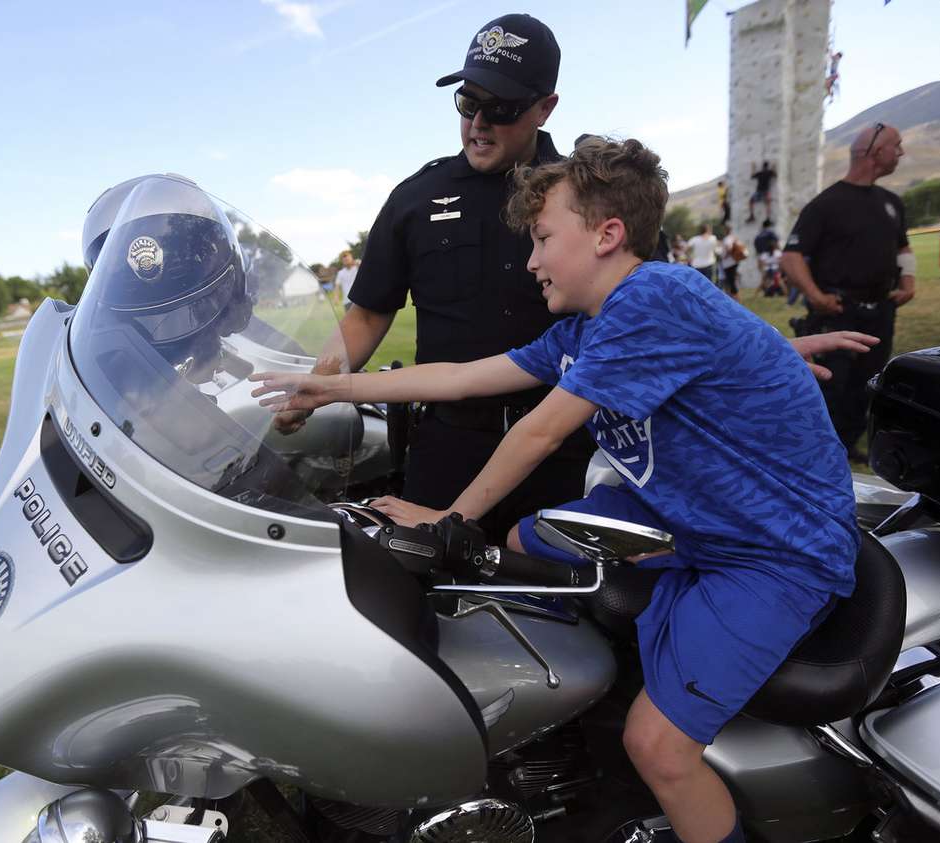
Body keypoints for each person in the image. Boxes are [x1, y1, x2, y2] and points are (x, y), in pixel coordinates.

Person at [252, 136, 867, 843]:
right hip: (684, 509)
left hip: (772, 549)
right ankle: (558, 721)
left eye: (543, 238)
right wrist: (332, 385)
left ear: (608, 235)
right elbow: (463, 376)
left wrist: (448, 519)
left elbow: (539, 433)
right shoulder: (584, 328)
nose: (533, 258)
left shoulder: (652, 297)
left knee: (659, 749)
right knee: (521, 539)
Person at [273, 13, 592, 542]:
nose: (479, 123)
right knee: (423, 601)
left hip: (562, 449)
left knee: (557, 610)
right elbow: (371, 310)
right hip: (446, 448)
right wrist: (316, 384)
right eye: (469, 103)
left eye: (502, 108)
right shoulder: (417, 197)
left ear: (545, 107)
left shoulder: (585, 193)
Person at [780, 122, 915, 462]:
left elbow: (903, 248)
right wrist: (815, 295)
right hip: (840, 311)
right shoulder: (827, 204)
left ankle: (849, 443)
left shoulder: (891, 203)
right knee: (830, 383)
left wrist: (908, 282)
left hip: (880, 309)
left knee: (869, 380)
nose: (900, 153)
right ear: (873, 151)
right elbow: (792, 255)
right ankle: (817, 448)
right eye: (895, 145)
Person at [746, 161, 776, 225]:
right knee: (768, 204)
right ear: (767, 166)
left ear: (763, 167)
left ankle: (752, 216)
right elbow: (775, 175)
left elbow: (752, 176)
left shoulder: (760, 173)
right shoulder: (769, 172)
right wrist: (774, 167)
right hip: (765, 191)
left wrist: (753, 168)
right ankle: (768, 219)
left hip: (759, 191)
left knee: (751, 201)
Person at [719, 229, 745, 301]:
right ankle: (733, 297)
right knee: (732, 280)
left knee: (730, 281)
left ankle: (735, 298)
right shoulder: (734, 238)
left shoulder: (727, 239)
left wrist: (725, 256)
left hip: (728, 263)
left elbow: (728, 248)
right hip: (734, 262)